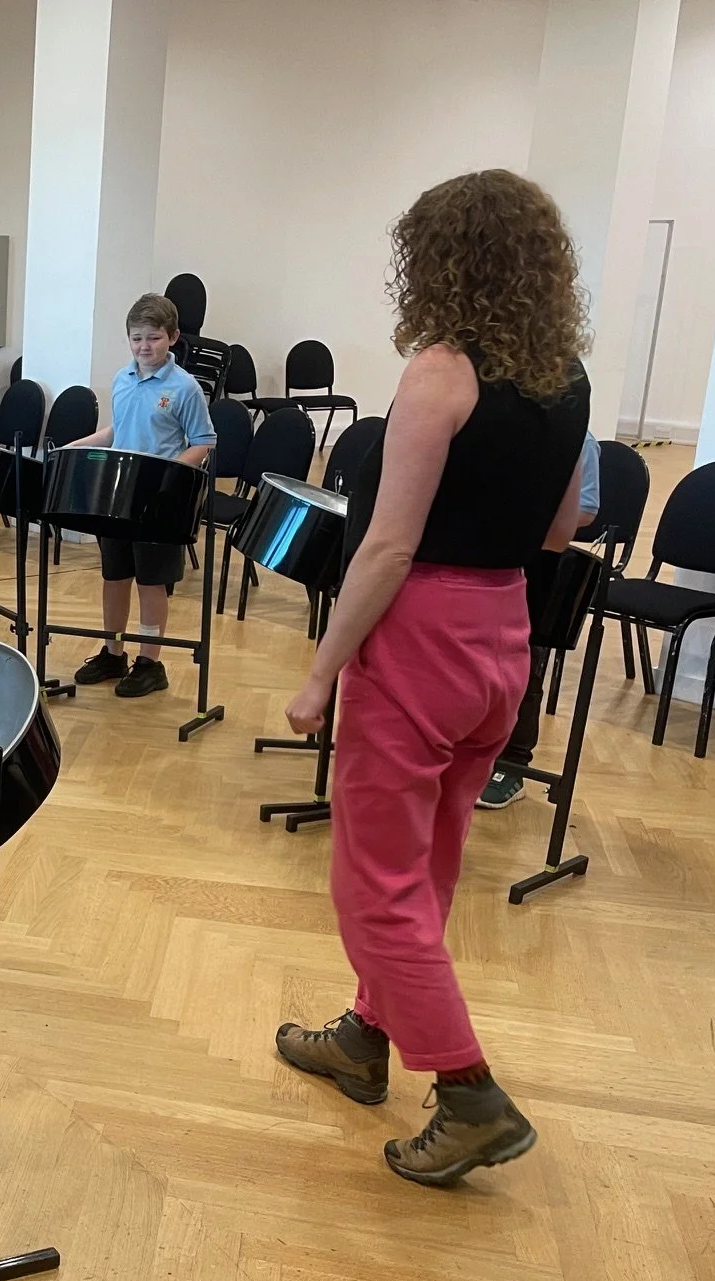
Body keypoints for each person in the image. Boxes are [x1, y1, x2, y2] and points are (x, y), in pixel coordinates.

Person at [272, 168, 590, 1186]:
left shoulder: (439, 375)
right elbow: (558, 530)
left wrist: (322, 674)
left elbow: (385, 551)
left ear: (439, 260)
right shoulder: (567, 377)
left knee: (374, 879)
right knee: (432, 858)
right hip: (504, 635)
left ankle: (466, 1092)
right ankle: (369, 1034)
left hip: (418, 639)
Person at [66, 294, 215, 700]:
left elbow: (203, 441)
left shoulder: (184, 388)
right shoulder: (122, 379)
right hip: (118, 496)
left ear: (173, 337)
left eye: (153, 338)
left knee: (152, 583)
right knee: (114, 576)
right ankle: (113, 651)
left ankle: (150, 662)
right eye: (137, 339)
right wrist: (75, 446)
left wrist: (168, 473)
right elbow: (117, 431)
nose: (144, 346)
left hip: (158, 499)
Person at [479, 428, 602, 809]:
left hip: (540, 563)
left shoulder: (579, 440)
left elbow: (585, 509)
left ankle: (514, 765)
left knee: (525, 666)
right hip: (488, 559)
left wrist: (526, 517)